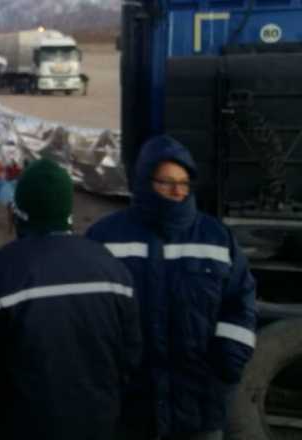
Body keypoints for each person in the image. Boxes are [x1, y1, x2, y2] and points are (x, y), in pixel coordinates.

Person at [0, 159, 141, 440]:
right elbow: (130, 357)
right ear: (68, 210)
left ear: (18, 213)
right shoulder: (112, 270)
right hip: (98, 425)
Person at [87, 135, 257, 440]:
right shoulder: (105, 237)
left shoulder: (216, 237)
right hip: (128, 408)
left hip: (199, 406)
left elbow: (240, 304)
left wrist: (226, 365)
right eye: (166, 182)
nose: (177, 191)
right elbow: (88, 314)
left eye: (183, 182)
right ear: (144, 182)